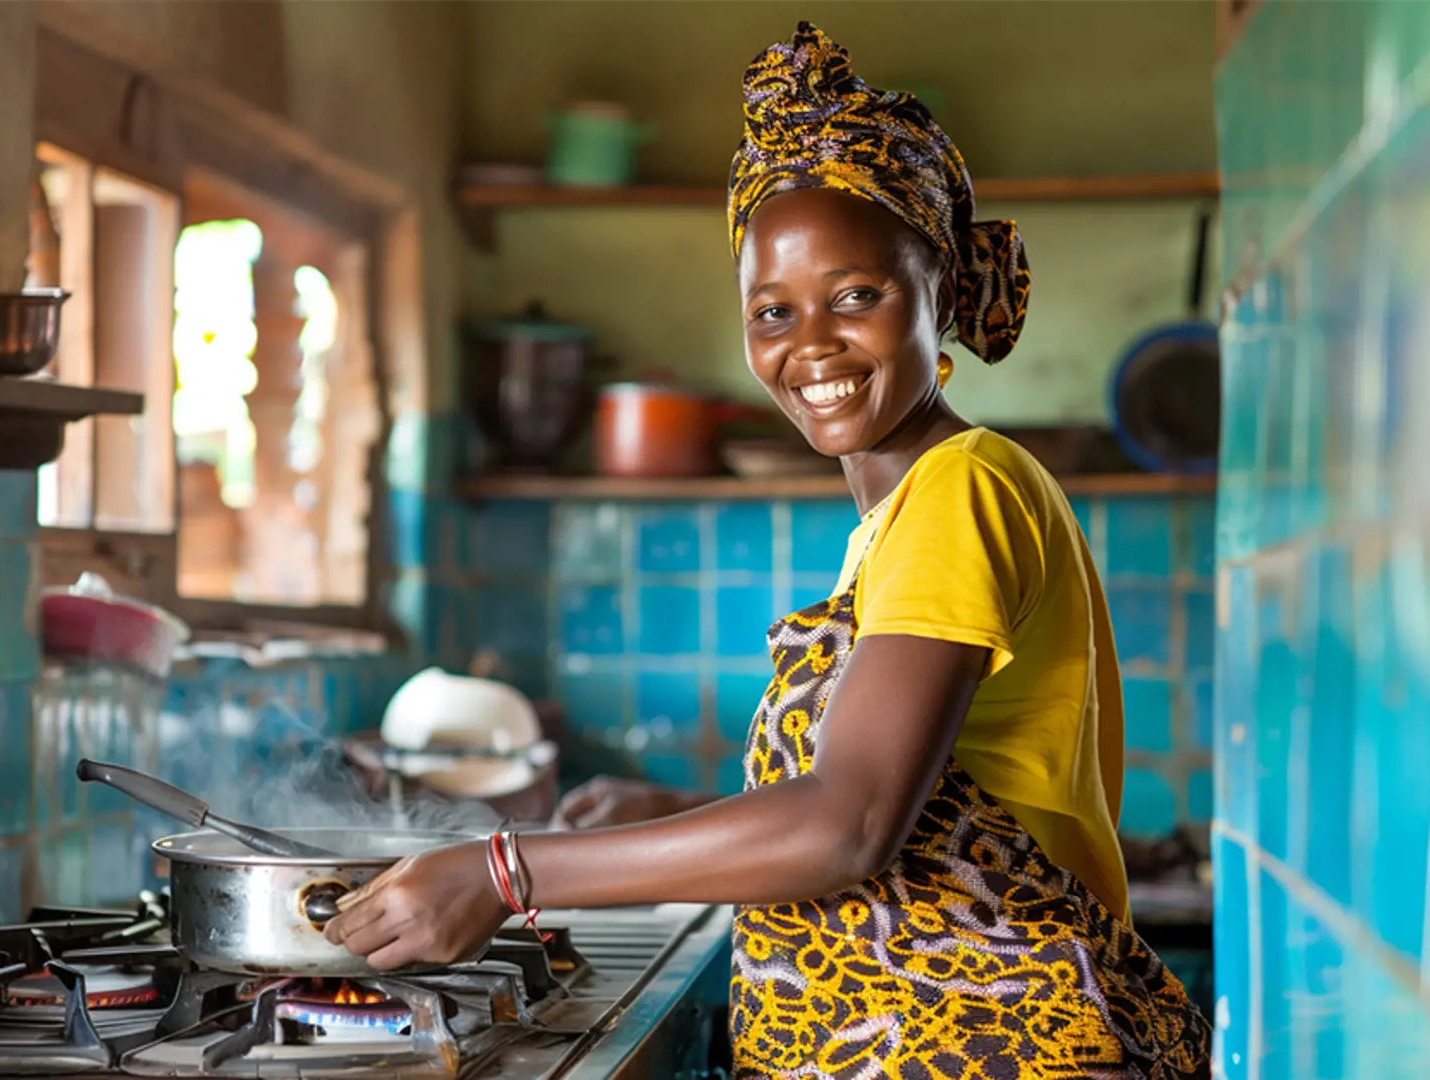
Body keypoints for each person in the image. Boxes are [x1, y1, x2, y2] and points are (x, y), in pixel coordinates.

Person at [326, 23, 1211, 1078]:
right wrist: (680, 814)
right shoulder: (903, 518)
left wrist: (505, 869)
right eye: (772, 311)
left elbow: (852, 822)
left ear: (940, 289)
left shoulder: (962, 493)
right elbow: (910, 798)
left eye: (857, 297)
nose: (812, 345)